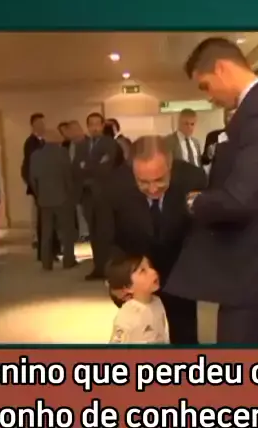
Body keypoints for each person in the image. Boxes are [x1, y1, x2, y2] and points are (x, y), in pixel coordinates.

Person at [166, 37, 258, 344]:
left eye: (206, 86)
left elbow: (240, 198)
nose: (209, 97)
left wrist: (195, 202)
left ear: (221, 68)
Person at [100, 135, 206, 344]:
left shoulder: (193, 179)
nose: (152, 188)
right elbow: (106, 236)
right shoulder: (114, 185)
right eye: (143, 182)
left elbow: (201, 231)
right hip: (138, 272)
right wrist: (116, 280)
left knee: (185, 334)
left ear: (170, 166)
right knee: (141, 334)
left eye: (159, 180)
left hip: (181, 267)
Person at [74, 112, 121, 280]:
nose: (94, 127)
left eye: (97, 124)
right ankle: (98, 268)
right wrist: (91, 166)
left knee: (106, 233)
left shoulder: (110, 144)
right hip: (87, 196)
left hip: (104, 195)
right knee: (93, 233)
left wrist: (87, 166)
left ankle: (109, 268)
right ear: (87, 126)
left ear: (102, 126)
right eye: (91, 124)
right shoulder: (81, 145)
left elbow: (106, 167)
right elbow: (76, 168)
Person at [29, 129, 78, 271]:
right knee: (67, 232)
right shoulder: (62, 153)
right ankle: (68, 261)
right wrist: (71, 194)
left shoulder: (36, 155)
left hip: (44, 199)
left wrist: (39, 194)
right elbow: (68, 176)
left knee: (46, 233)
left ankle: (46, 262)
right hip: (63, 198)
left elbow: (32, 179)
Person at [106, 255, 169, 344]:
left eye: (150, 266)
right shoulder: (127, 316)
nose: (153, 272)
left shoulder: (157, 301)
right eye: (143, 271)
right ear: (128, 287)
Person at [21, 113, 46, 248]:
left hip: (46, 182)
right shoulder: (30, 142)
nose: (42, 126)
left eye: (42, 123)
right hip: (36, 182)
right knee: (36, 212)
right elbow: (29, 163)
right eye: (38, 123)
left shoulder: (45, 141)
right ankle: (36, 237)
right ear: (33, 125)